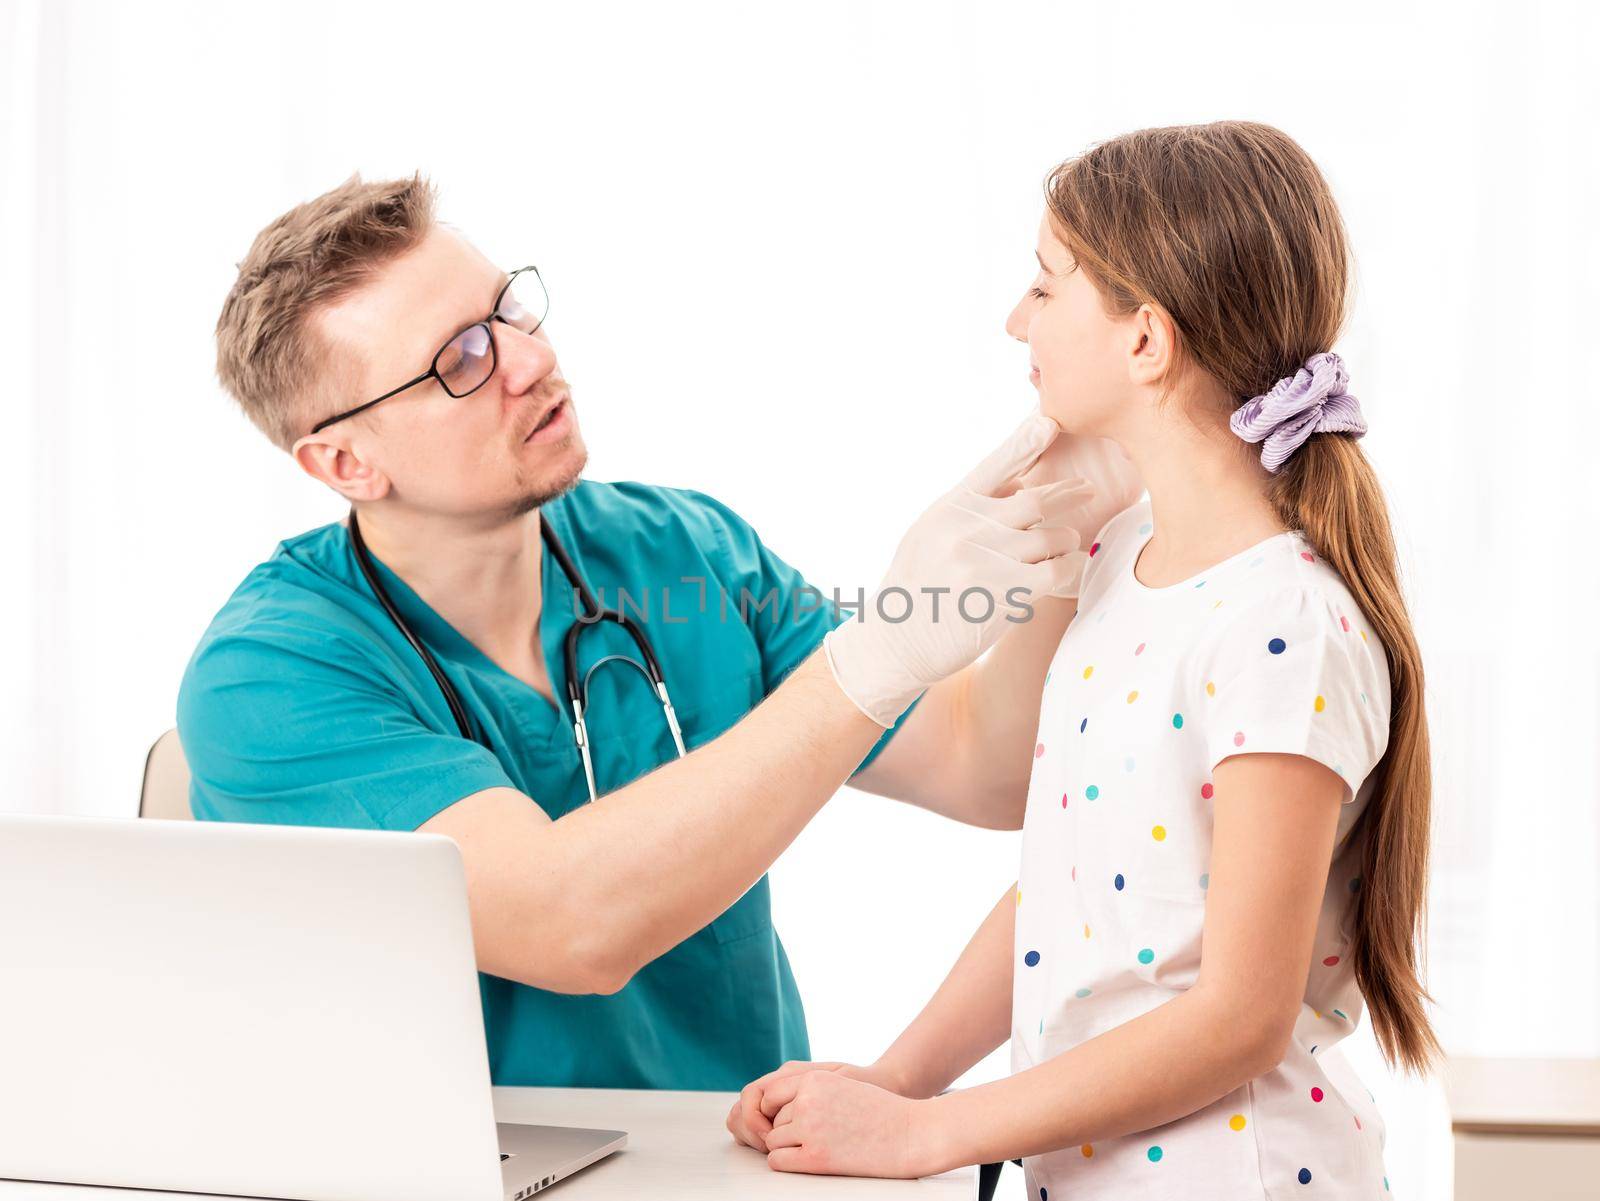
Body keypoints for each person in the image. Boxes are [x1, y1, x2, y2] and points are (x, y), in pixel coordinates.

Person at [176, 174, 1143, 1092]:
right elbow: (572, 923)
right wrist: (876, 652)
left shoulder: (681, 552)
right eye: (463, 359)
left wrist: (1067, 525)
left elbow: (985, 765)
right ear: (345, 460)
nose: (532, 358)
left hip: (736, 1154)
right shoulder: (269, 673)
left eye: (510, 309)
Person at [730, 121, 1437, 1199]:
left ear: (1145, 340)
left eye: (1045, 287)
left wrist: (932, 1136)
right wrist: (898, 1081)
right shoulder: (1113, 565)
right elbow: (1068, 886)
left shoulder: (1280, 623)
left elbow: (1240, 1019)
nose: (1015, 318)